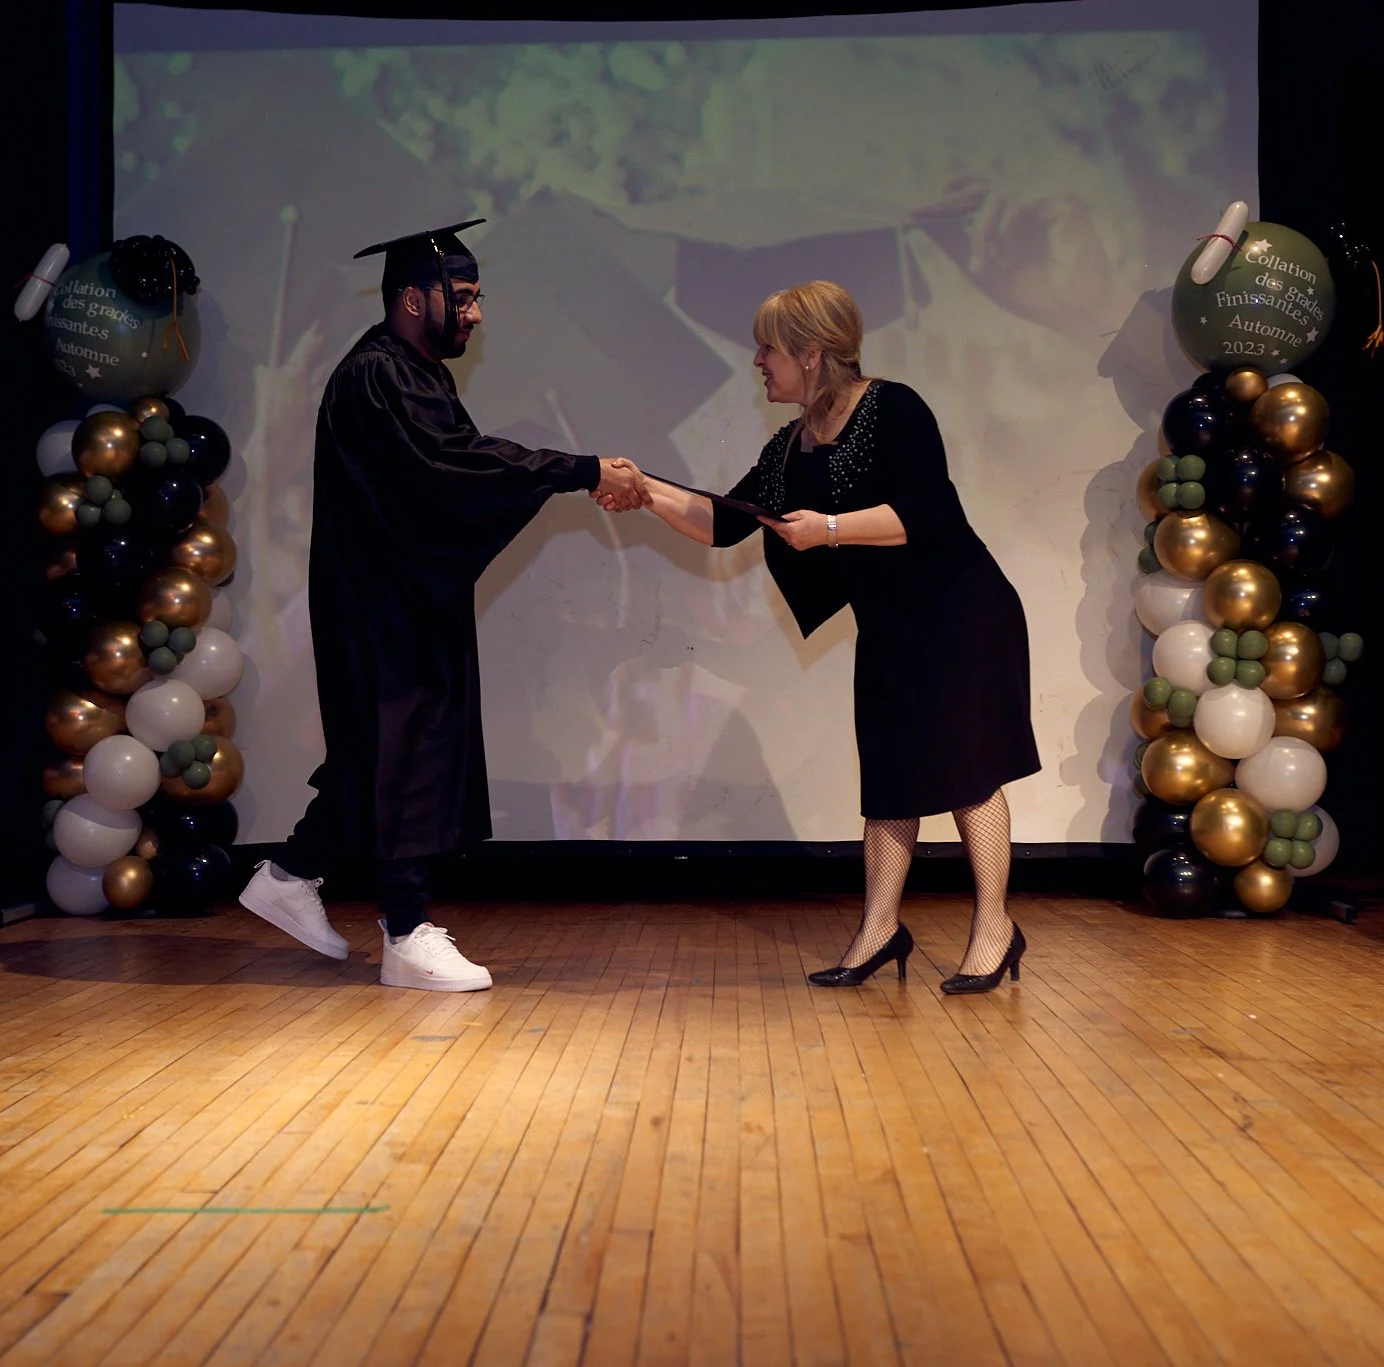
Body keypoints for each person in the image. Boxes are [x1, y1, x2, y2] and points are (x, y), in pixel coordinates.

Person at [238, 220, 648, 990]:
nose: (475, 314)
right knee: (404, 756)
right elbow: (456, 468)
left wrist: (569, 472)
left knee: (376, 755)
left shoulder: (417, 374)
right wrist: (576, 468)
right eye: (462, 298)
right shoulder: (377, 375)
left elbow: (461, 472)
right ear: (411, 299)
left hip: (402, 598)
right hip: (380, 607)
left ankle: (290, 877)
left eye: (476, 298)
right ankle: (405, 930)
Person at [605, 280, 1041, 993]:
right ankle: (880, 929)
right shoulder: (793, 446)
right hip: (894, 625)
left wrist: (830, 529)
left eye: (768, 348)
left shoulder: (893, 407)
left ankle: (995, 927)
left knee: (969, 768)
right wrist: (645, 489)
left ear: (811, 353)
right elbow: (724, 521)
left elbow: (923, 514)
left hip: (964, 614)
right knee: (891, 778)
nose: (756, 361)